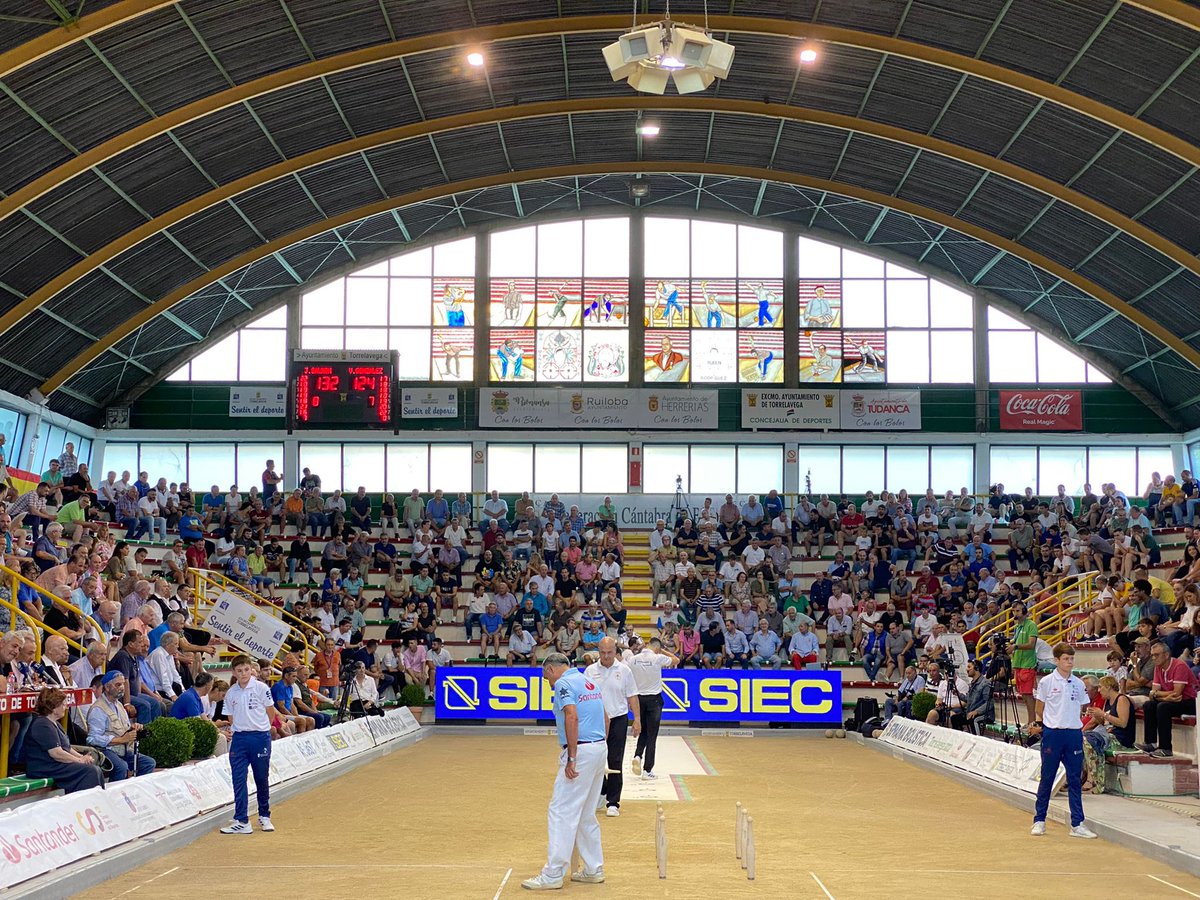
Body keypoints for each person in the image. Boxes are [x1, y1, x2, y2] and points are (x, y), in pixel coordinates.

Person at [521, 652, 608, 890]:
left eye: (546, 677)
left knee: (561, 811)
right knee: (586, 813)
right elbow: (606, 717)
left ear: (550, 669)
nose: (548, 683)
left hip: (581, 751)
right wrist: (599, 747)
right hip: (598, 747)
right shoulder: (588, 681)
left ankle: (553, 874)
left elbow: (571, 716)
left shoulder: (563, 683)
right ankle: (593, 868)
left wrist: (572, 756)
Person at [1030, 643, 1097, 839]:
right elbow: (1039, 708)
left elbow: (1082, 706)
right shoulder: (1046, 682)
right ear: (1056, 660)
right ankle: (1039, 820)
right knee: (1047, 777)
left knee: (1075, 779)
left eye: (1072, 659)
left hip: (1073, 734)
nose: (1070, 662)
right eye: (1066, 659)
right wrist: (1050, 723)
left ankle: (1077, 823)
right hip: (1053, 734)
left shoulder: (1078, 683)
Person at [584, 637, 641, 817]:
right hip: (596, 721)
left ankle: (613, 802)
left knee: (615, 760)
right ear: (598, 652)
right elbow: (584, 697)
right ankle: (601, 791)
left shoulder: (624, 670)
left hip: (618, 719)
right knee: (596, 760)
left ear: (615, 651)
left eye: (609, 652)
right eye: (603, 653)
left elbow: (632, 696)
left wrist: (637, 719)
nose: (606, 656)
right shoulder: (590, 671)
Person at [220, 655, 275, 834]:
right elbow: (230, 717)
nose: (243, 674)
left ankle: (264, 815)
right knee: (238, 778)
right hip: (240, 739)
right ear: (233, 673)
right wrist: (241, 728)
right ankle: (242, 820)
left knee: (261, 777)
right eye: (239, 671)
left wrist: (262, 729)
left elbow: (270, 712)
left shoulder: (261, 688)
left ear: (251, 669)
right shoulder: (231, 693)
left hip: (260, 738)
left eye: (246, 670)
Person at [25, 688, 105, 793]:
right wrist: (79, 761)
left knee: (94, 768)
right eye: (63, 705)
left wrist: (82, 758)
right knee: (90, 771)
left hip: (55, 765)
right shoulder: (42, 724)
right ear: (54, 708)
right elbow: (57, 753)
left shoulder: (55, 724)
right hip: (44, 767)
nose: (66, 707)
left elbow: (67, 748)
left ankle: (98, 798)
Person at [86, 671, 156, 780]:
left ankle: (135, 788)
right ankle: (114, 790)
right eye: (118, 685)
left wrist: (133, 727)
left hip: (122, 749)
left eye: (123, 684)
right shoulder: (98, 709)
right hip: (105, 750)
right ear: (107, 687)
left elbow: (124, 729)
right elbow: (92, 739)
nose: (122, 688)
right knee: (121, 767)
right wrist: (121, 740)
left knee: (149, 763)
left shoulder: (119, 705)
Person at [1136, 640, 1198, 758]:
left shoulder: (1179, 666)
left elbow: (1176, 693)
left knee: (1163, 707)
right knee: (1149, 705)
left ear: (1166, 655)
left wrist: (1158, 695)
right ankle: (1150, 743)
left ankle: (1166, 748)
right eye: (1152, 655)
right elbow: (1152, 694)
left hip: (1190, 701)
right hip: (1172, 700)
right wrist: (1164, 696)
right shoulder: (1158, 668)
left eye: (1156, 655)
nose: (1153, 658)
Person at [628, 636, 677, 780]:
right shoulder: (658, 658)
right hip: (654, 700)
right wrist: (663, 651)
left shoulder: (633, 659)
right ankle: (647, 770)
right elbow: (676, 660)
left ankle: (638, 755)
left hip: (639, 699)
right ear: (657, 648)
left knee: (643, 730)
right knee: (652, 735)